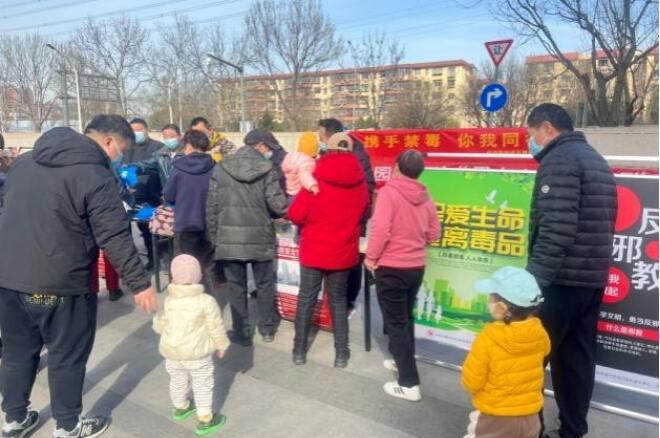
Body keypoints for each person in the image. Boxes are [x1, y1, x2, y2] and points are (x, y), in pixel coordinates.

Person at [0, 114, 157, 438]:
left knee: (16, 353)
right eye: (120, 151)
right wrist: (140, 283)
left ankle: (14, 420)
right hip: (59, 286)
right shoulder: (95, 175)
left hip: (10, 281)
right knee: (66, 356)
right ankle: (68, 426)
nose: (118, 158)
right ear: (109, 141)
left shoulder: (23, 164)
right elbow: (113, 235)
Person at [524, 103, 617, 438]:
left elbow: (556, 230)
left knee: (529, 357)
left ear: (547, 128)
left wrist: (531, 285)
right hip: (590, 281)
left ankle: (529, 430)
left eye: (532, 134)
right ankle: (572, 432)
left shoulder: (559, 161)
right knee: (576, 360)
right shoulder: (596, 160)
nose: (531, 142)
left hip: (559, 280)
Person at [364, 150, 440, 401]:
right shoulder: (425, 194)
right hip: (415, 267)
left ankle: (409, 384)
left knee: (396, 323)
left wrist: (371, 258)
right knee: (405, 318)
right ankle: (401, 360)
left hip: (392, 267)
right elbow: (434, 233)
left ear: (396, 167)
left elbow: (380, 229)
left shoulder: (389, 193)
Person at [289, 132, 369, 368]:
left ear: (328, 150)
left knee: (306, 298)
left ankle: (299, 350)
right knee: (338, 301)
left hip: (313, 250)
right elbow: (364, 212)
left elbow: (296, 215)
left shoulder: (315, 181)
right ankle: (341, 353)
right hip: (342, 252)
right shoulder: (360, 183)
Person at [206, 129, 288, 346]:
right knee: (264, 284)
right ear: (260, 145)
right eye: (268, 148)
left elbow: (211, 207)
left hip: (229, 238)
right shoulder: (268, 169)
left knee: (236, 286)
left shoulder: (221, 167)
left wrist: (215, 238)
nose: (269, 152)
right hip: (261, 236)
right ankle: (267, 328)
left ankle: (241, 333)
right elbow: (278, 206)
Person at [461, 267, 550, 438]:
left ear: (501, 307)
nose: (489, 300)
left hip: (494, 416)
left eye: (491, 296)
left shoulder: (488, 337)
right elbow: (546, 350)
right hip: (531, 418)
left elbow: (471, 382)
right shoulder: (539, 332)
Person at [153, 254, 230, 436]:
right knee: (202, 384)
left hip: (172, 352)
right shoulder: (206, 301)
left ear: (173, 278)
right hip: (198, 354)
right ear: (200, 276)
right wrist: (221, 345)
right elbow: (216, 326)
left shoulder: (169, 300)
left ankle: (180, 407)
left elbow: (158, 325)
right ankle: (205, 419)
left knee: (177, 380)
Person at [318, 118, 375, 315]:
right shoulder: (327, 153)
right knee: (336, 257)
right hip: (333, 216)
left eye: (321, 136)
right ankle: (333, 299)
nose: (320, 140)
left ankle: (348, 300)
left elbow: (368, 187)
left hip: (354, 217)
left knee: (353, 259)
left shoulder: (358, 155)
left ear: (332, 136)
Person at [163, 130, 214, 272]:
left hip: (185, 225)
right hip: (210, 225)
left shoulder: (178, 168)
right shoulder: (215, 167)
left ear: (189, 146)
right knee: (208, 268)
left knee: (184, 269)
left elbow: (169, 195)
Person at [123, 118, 164, 271]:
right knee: (134, 231)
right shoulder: (126, 148)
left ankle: (157, 259)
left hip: (152, 196)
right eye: (133, 130)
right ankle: (140, 261)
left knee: (152, 230)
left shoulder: (158, 147)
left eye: (139, 130)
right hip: (131, 197)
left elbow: (161, 171)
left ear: (146, 130)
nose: (136, 133)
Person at [132, 123, 184, 190]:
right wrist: (131, 166)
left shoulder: (187, 154)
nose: (169, 139)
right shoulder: (160, 154)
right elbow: (146, 164)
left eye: (172, 136)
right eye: (165, 137)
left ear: (180, 136)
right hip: (168, 193)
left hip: (184, 192)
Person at [281, 132, 320, 198]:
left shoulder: (292, 158)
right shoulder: (307, 161)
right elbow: (304, 175)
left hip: (290, 192)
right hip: (300, 193)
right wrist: (313, 186)